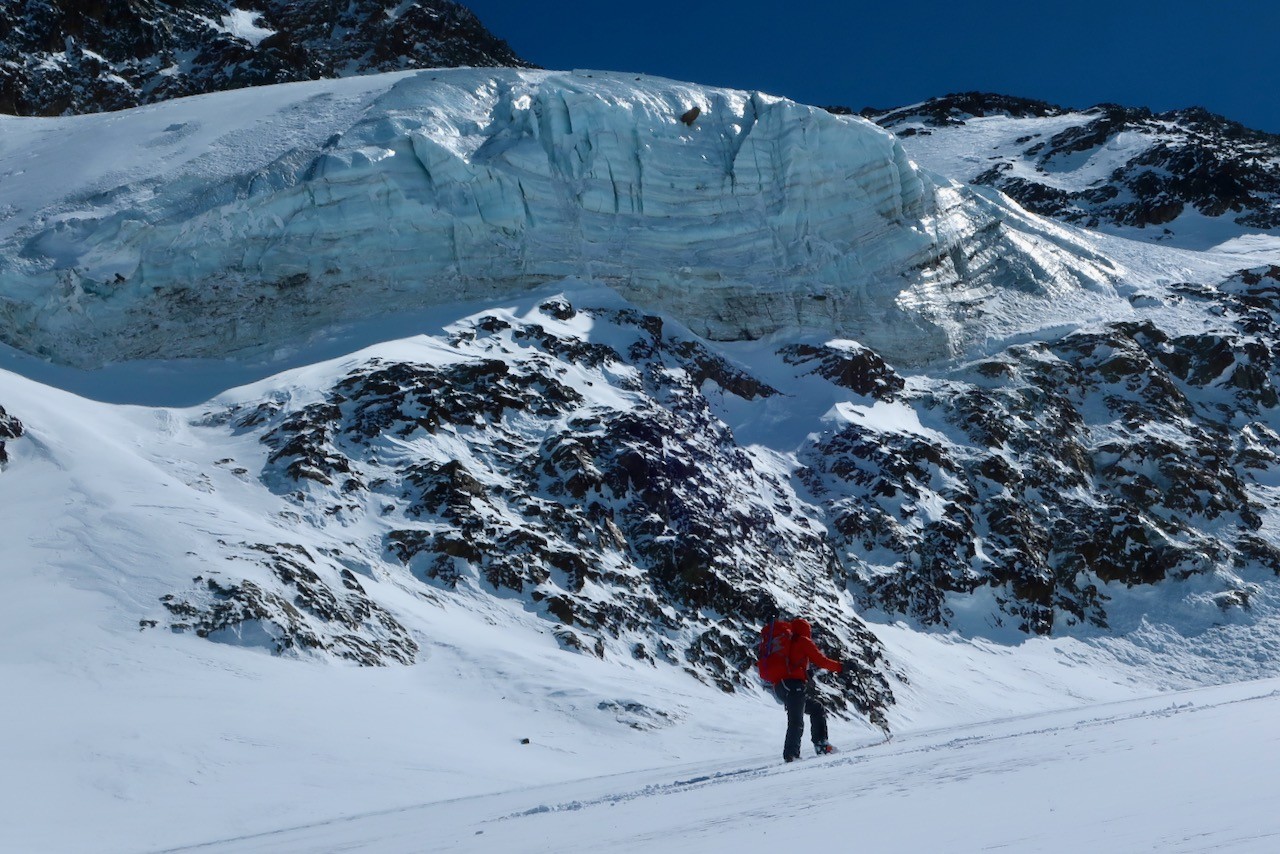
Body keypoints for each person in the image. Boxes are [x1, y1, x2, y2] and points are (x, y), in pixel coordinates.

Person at [774, 618, 845, 762]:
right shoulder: (803, 641)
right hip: (793, 687)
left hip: (780, 687)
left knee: (816, 708)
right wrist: (842, 667)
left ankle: (821, 745)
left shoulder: (787, 642)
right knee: (796, 721)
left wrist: (804, 675)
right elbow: (821, 661)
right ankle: (792, 755)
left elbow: (793, 664)